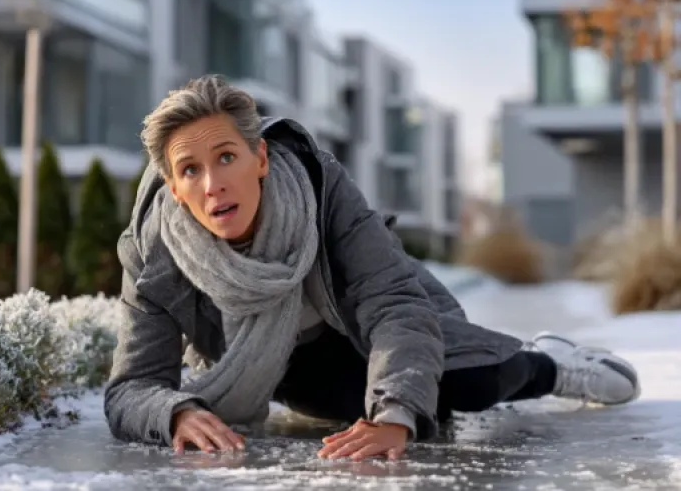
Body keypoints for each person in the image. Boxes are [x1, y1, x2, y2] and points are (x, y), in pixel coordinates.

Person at [105, 75, 640, 462]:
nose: (212, 184)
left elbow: (393, 303)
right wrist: (173, 413)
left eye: (226, 158)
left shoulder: (318, 184)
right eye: (190, 171)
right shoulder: (154, 251)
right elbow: (131, 387)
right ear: (174, 188)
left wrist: (394, 415)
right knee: (347, 407)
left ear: (260, 158)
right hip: (294, 366)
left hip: (370, 317)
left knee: (473, 380)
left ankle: (549, 364)